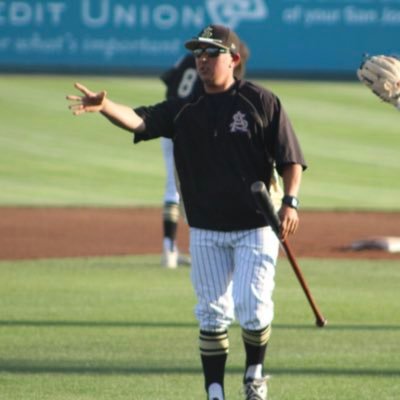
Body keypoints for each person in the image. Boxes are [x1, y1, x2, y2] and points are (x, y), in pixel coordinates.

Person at [67, 24, 306, 400]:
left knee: (252, 306)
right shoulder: (185, 109)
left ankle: (254, 375)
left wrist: (291, 202)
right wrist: (104, 107)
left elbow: (291, 158)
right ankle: (214, 392)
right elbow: (140, 119)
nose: (203, 60)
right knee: (211, 314)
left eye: (212, 53)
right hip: (207, 228)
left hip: (257, 224)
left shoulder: (262, 102)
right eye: (199, 53)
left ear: (234, 59)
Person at [159, 41, 250, 268]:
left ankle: (169, 250)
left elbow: (168, 78)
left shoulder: (187, 60)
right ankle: (204, 245)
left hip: (167, 121)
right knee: (199, 185)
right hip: (190, 127)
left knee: (172, 186)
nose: (203, 57)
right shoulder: (214, 67)